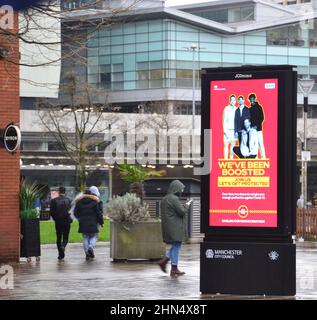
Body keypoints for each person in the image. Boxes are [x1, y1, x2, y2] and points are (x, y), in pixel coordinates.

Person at [158, 180, 190, 277]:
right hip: (175, 227)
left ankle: (171, 267)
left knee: (175, 246)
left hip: (168, 227)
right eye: (181, 189)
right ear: (176, 189)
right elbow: (181, 212)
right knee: (176, 247)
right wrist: (187, 206)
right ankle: (168, 264)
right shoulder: (174, 199)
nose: (182, 191)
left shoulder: (165, 199)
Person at [74, 186, 104, 261]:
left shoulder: (79, 202)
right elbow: (98, 213)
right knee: (94, 236)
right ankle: (91, 246)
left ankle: (87, 253)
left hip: (83, 222)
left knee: (85, 237)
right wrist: (101, 222)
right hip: (93, 222)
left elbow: (75, 213)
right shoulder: (95, 202)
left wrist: (79, 218)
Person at [50, 186, 72, 260]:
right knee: (66, 236)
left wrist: (55, 218)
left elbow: (52, 212)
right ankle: (63, 246)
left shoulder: (54, 200)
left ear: (59, 192)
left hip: (58, 221)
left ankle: (60, 254)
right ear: (65, 192)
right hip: (67, 220)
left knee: (59, 237)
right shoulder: (69, 200)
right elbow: (71, 211)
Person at [248, 94, 266, 158]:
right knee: (254, 145)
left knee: (260, 143)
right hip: (252, 130)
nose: (252, 100)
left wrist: (257, 126)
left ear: (255, 99)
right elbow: (249, 119)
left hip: (258, 129)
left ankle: (264, 158)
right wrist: (251, 127)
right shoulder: (249, 109)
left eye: (253, 99)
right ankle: (256, 158)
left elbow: (262, 117)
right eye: (250, 99)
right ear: (249, 100)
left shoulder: (259, 107)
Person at [223, 95, 237, 159]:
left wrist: (236, 132)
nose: (233, 101)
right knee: (226, 146)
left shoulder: (236, 109)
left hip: (234, 131)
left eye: (234, 100)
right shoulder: (226, 108)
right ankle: (225, 159)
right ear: (230, 101)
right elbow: (224, 120)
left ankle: (231, 160)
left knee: (232, 147)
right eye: (231, 100)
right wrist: (225, 132)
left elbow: (238, 122)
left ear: (235, 101)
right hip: (227, 131)